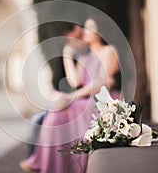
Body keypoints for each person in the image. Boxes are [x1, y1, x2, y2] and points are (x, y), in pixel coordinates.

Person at [20, 17, 120, 173]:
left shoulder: (109, 50)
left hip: (103, 100)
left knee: (67, 108)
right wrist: (67, 53)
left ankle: (50, 163)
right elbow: (74, 82)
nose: (84, 31)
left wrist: (72, 97)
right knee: (54, 116)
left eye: (89, 28)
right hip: (85, 100)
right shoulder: (84, 57)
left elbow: (103, 82)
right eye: (85, 28)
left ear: (100, 31)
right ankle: (53, 167)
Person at [26, 23, 86, 157]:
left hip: (76, 100)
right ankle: (34, 159)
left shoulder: (80, 55)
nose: (79, 38)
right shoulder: (67, 54)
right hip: (63, 99)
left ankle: (37, 161)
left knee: (42, 121)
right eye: (76, 35)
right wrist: (57, 97)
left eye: (80, 35)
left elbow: (76, 82)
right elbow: (57, 83)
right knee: (36, 120)